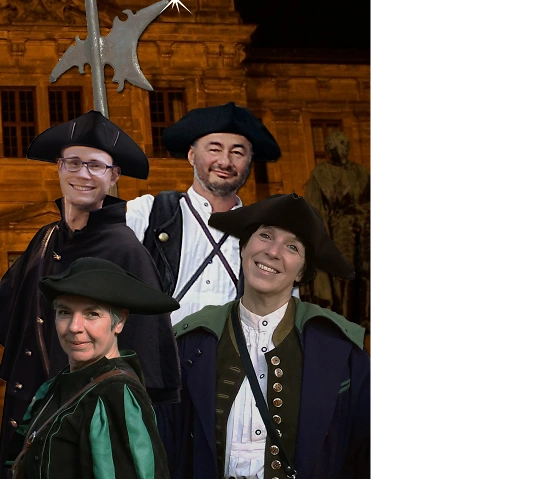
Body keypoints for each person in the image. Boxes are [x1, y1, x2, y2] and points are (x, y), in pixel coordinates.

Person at [0, 110, 181, 478]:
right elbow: (4, 308)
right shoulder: (45, 239)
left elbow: (146, 367)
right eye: (74, 163)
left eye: (96, 166)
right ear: (59, 167)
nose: (83, 174)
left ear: (113, 176)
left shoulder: (126, 250)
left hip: (87, 429)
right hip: (34, 415)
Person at [155, 193, 373, 479]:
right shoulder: (193, 340)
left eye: (292, 247)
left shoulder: (339, 350)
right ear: (244, 247)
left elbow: (363, 453)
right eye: (265, 236)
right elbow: (165, 444)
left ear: (302, 272)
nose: (273, 252)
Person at [6, 256, 179, 479]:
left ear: (119, 322)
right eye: (65, 312)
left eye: (92, 314)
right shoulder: (57, 386)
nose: (74, 327)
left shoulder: (115, 396)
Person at [126, 101, 288, 327]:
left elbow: (281, 319)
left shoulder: (270, 239)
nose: (225, 161)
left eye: (237, 152)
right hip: (160, 349)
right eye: (214, 149)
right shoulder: (148, 213)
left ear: (249, 162)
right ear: (192, 155)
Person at [301, 131, 372, 335]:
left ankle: (365, 316)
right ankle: (344, 315)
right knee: (344, 273)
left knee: (366, 271)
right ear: (330, 148)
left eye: (346, 142)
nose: (346, 146)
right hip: (340, 227)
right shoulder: (320, 173)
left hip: (364, 225)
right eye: (341, 143)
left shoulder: (361, 172)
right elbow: (314, 208)